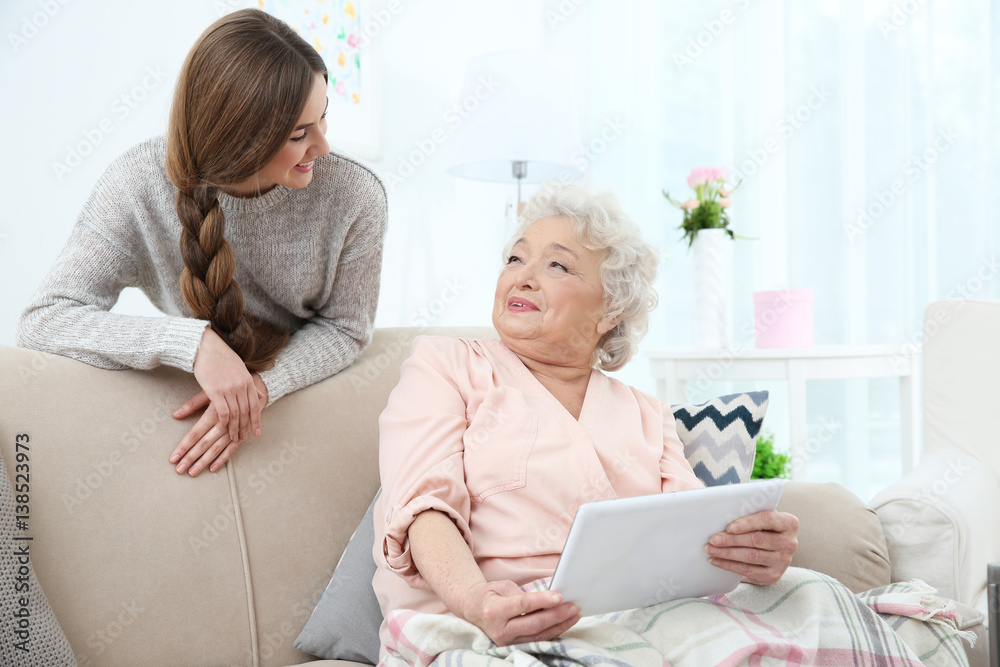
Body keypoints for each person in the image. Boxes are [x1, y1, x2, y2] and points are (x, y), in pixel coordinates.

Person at [371, 183, 798, 663]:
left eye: (556, 265)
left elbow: (691, 538)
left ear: (610, 309)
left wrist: (748, 557)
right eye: (515, 259)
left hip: (633, 617)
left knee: (813, 595)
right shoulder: (447, 364)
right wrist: (477, 600)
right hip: (487, 622)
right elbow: (422, 507)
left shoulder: (647, 413)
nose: (523, 278)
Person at [16, 9, 386, 477]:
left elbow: (347, 328)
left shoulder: (356, 196)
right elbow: (44, 320)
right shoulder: (138, 183)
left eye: (323, 116)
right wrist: (194, 345)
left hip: (300, 410)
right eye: (298, 134)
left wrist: (259, 389)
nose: (323, 146)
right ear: (242, 142)